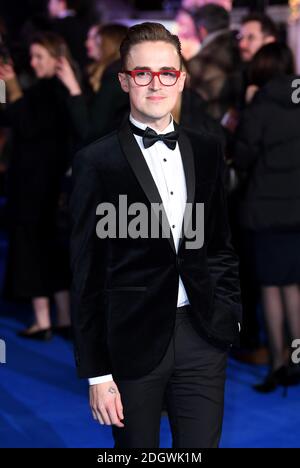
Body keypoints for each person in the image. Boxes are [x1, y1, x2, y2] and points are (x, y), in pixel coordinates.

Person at [70, 22, 242, 448]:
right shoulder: (95, 161)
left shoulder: (206, 149)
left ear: (181, 78)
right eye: (142, 73)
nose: (155, 83)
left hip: (202, 335)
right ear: (125, 80)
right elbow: (85, 272)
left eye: (167, 72)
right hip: (131, 340)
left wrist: (229, 313)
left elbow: (219, 244)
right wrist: (98, 373)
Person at [233, 42, 300, 392]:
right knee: (293, 286)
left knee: (272, 289)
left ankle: (278, 364)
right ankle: (297, 359)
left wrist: (246, 108)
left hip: (266, 210)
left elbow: (242, 157)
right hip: (297, 208)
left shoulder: (260, 105)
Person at [0, 32, 73, 339]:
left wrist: (12, 86)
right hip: (49, 182)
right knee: (51, 252)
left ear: (56, 58)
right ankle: (64, 317)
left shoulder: (48, 91)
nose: (34, 62)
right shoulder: (58, 91)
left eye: (39, 56)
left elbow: (23, 123)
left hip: (36, 185)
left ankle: (43, 320)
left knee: (33, 250)